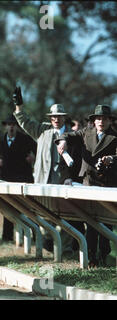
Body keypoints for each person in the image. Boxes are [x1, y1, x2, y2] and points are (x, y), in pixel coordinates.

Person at [12, 86, 84, 254]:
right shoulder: (43, 131)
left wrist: (72, 178)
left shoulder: (73, 136)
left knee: (66, 219)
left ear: (64, 118)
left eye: (58, 117)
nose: (56, 120)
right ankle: (50, 249)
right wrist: (18, 106)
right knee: (45, 218)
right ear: (50, 118)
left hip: (64, 184)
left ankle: (65, 251)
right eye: (53, 117)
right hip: (43, 183)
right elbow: (24, 122)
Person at [57, 104, 117, 267]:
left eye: (104, 118)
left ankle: (104, 256)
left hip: (107, 185)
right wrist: (62, 141)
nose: (101, 121)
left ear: (110, 120)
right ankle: (91, 257)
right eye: (98, 118)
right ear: (94, 121)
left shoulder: (114, 137)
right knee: (90, 222)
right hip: (88, 183)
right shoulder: (86, 132)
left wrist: (112, 159)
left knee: (105, 223)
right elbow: (68, 135)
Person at [0, 114, 36, 241]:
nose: (11, 127)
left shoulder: (25, 139)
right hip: (7, 180)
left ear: (17, 126)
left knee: (29, 209)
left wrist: (34, 158)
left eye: (14, 125)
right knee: (8, 209)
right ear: (5, 126)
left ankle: (36, 238)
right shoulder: (2, 141)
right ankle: (7, 238)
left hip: (23, 179)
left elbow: (38, 150)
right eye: (9, 125)